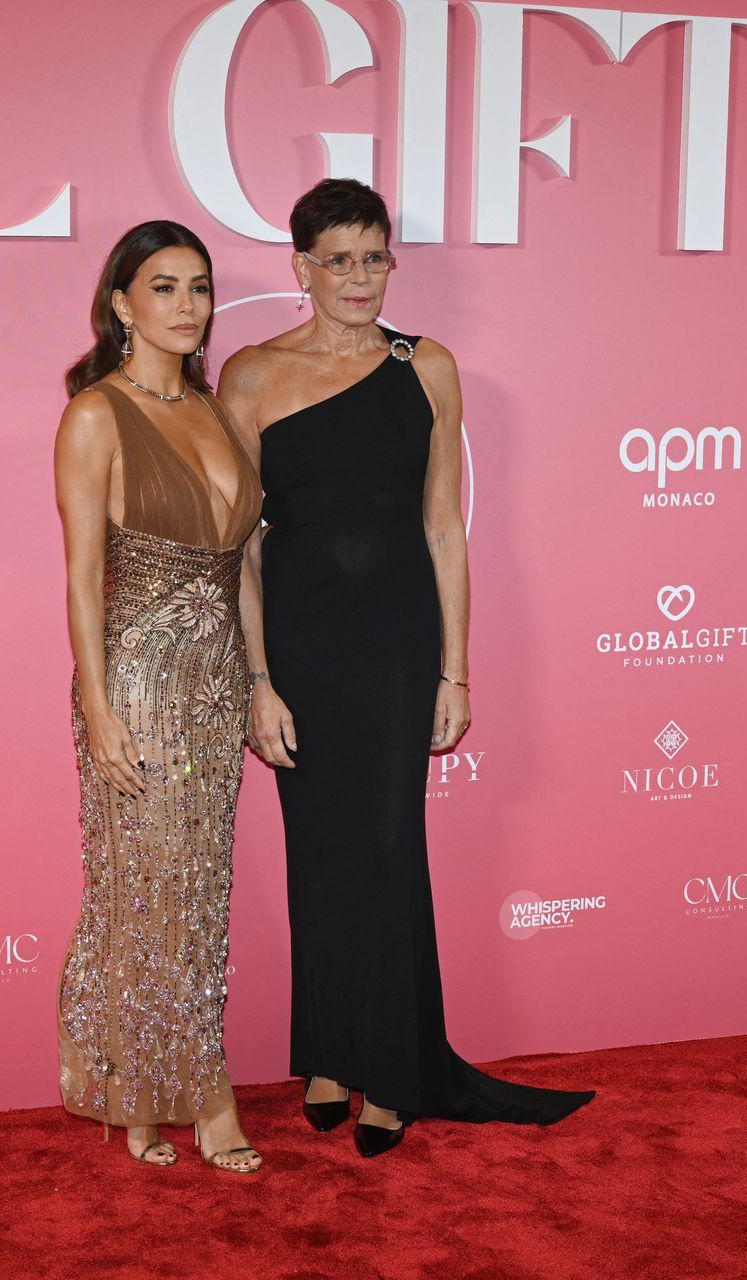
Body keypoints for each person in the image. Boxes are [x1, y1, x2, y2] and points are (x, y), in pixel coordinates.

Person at [219, 179, 594, 1158]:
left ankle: (390, 1070)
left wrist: (454, 672)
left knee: (386, 853)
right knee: (320, 857)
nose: (359, 277)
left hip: (393, 646)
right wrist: (258, 680)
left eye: (374, 257)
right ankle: (328, 1056)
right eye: (338, 259)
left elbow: (443, 527)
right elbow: (240, 547)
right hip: (300, 646)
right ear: (301, 268)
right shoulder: (251, 377)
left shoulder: (425, 365)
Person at [51, 220, 264, 1174]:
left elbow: (242, 567)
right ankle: (195, 1094)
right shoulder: (96, 414)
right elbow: (82, 576)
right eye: (165, 287)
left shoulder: (216, 412)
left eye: (200, 287)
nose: (188, 305)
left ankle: (150, 1085)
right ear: (122, 305)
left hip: (215, 684)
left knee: (197, 892)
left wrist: (259, 682)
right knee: (142, 887)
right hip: (137, 682)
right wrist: (99, 710)